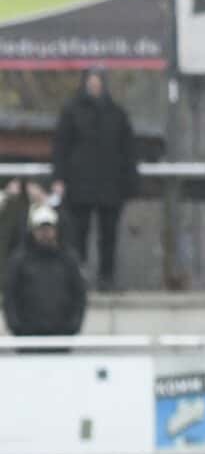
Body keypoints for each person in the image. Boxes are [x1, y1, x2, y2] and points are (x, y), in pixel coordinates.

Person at [50, 69, 139, 290]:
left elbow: (128, 151)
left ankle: (106, 278)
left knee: (108, 235)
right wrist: (59, 178)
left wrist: (130, 183)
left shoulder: (117, 114)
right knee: (78, 233)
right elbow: (61, 148)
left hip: (110, 186)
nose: (94, 87)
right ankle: (77, 277)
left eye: (98, 83)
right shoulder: (71, 112)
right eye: (91, 83)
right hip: (80, 185)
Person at [4, 203, 88, 336]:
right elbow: (10, 294)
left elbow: (79, 294)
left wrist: (73, 325)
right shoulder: (19, 259)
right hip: (27, 336)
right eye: (40, 229)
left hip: (61, 335)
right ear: (33, 231)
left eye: (48, 228)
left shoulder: (69, 259)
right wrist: (16, 326)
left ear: (56, 230)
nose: (45, 233)